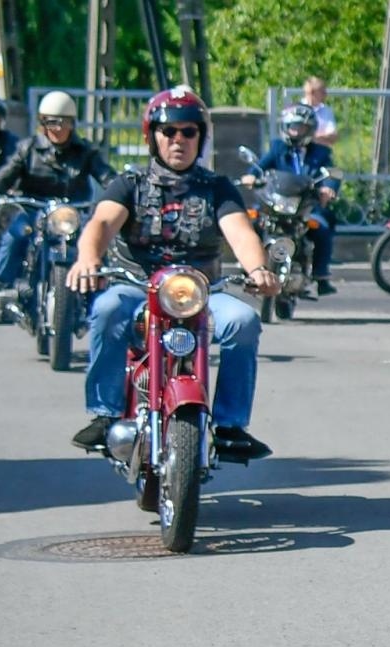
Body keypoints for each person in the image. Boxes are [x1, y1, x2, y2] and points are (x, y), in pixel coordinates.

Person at [67, 86, 281, 461]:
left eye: (189, 131)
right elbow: (101, 223)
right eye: (169, 132)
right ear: (152, 136)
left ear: (200, 137)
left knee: (244, 321)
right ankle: (104, 414)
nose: (179, 140)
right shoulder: (130, 184)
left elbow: (240, 232)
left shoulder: (216, 188)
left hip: (201, 291)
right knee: (106, 310)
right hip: (138, 287)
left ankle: (230, 425)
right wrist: (88, 259)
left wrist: (258, 268)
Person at [0, 90, 115, 290]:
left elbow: (107, 177)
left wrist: (120, 194)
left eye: (64, 122)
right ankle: (3, 284)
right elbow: (6, 175)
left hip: (73, 214)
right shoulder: (27, 149)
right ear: (42, 123)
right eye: (52, 122)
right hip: (33, 210)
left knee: (95, 239)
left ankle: (99, 286)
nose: (58, 128)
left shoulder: (86, 151)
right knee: (16, 234)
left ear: (72, 123)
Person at [240, 102, 341, 296]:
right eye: (292, 126)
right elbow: (260, 166)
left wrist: (328, 188)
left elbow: (330, 174)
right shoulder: (278, 148)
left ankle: (321, 276)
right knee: (250, 222)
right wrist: (251, 176)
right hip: (276, 202)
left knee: (321, 228)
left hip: (305, 205)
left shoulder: (321, 153)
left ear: (309, 129)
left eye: (300, 127)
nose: (295, 131)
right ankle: (249, 266)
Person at [300, 76, 338, 147]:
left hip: (321, 152)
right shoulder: (297, 110)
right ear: (312, 93)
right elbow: (295, 135)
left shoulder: (326, 111)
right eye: (322, 92)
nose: (326, 95)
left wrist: (311, 138)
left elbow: (333, 137)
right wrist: (322, 137)